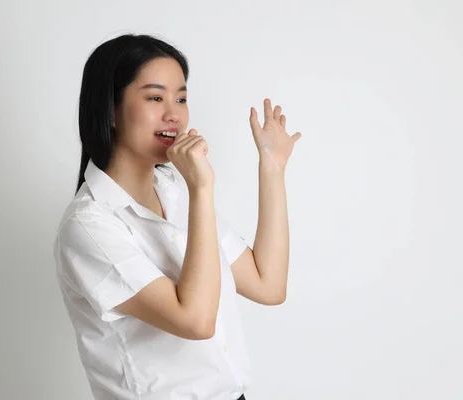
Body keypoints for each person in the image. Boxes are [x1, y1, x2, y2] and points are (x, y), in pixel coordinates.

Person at [53, 33, 301, 400]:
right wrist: (201, 189)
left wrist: (272, 168)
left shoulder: (176, 194)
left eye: (181, 98)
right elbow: (196, 321)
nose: (174, 114)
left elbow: (268, 285)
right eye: (155, 97)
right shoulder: (89, 226)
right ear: (110, 110)